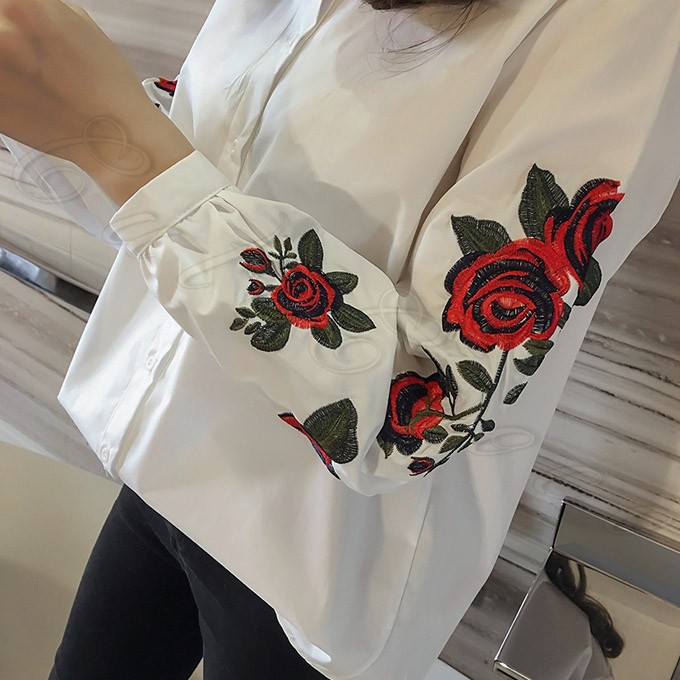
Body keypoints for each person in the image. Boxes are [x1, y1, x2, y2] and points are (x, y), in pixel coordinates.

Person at [1, 0, 679, 678]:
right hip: (166, 457)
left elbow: (426, 407)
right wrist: (69, 114)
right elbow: (213, 169)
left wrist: (115, 141)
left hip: (311, 567)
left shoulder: (623, 21)